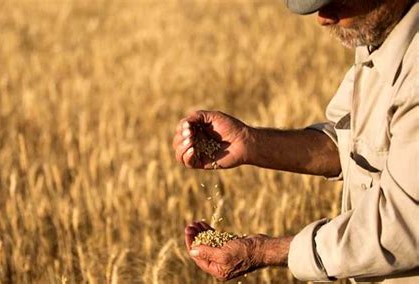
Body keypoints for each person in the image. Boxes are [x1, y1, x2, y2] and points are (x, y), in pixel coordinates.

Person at [172, 0, 418, 282]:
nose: (322, 19)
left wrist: (262, 251)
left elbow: (401, 227)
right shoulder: (382, 34)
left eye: (334, 0)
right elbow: (354, 144)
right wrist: (250, 142)